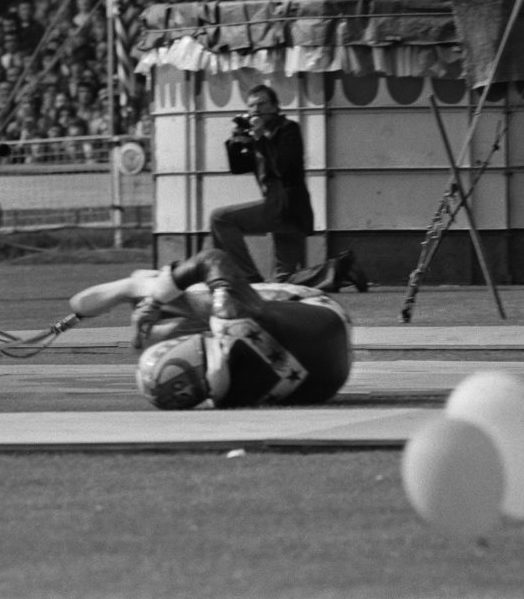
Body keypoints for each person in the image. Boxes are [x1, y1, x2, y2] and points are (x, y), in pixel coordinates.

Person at [69, 248, 353, 410]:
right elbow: (212, 259)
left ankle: (141, 285)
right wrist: (155, 299)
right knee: (175, 307)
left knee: (157, 331)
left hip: (332, 372)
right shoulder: (231, 317)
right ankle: (141, 285)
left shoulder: (228, 399)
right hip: (320, 310)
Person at [208, 84, 314, 283]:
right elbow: (238, 167)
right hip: (281, 209)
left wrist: (260, 140)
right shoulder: (258, 136)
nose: (256, 110)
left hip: (287, 207)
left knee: (220, 219)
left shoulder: (288, 130)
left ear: (275, 106)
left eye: (262, 104)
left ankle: (247, 277)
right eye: (251, 106)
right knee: (286, 281)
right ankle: (341, 270)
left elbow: (284, 167)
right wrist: (235, 142)